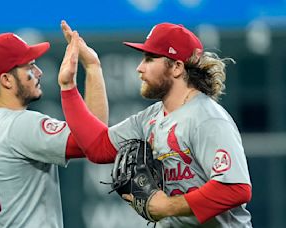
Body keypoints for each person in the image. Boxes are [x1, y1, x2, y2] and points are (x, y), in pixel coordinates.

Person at [59, 22, 252, 227]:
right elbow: (97, 147)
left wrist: (167, 206)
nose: (140, 68)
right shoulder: (150, 118)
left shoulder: (207, 119)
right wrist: (73, 82)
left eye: (150, 59)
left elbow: (236, 188)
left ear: (177, 67)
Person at [0, 21, 108, 227]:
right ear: (7, 80)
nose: (38, 72)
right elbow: (95, 140)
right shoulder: (20, 125)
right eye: (29, 66)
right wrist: (92, 68)